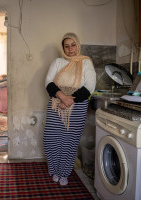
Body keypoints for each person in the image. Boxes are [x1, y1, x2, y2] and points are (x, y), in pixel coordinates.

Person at [43, 33, 96, 186]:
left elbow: (89, 86)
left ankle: (64, 173)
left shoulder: (85, 63)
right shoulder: (58, 62)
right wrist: (62, 97)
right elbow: (48, 82)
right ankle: (54, 170)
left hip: (77, 105)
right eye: (67, 46)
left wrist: (68, 100)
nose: (70, 49)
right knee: (51, 139)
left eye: (73, 45)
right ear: (63, 48)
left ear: (77, 45)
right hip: (56, 103)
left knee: (69, 141)